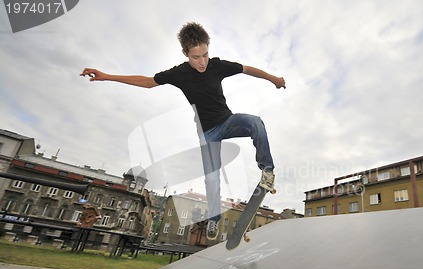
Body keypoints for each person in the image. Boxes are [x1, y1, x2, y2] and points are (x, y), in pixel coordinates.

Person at [80, 22, 286, 240]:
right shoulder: (179, 73)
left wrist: (273, 79)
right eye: (196, 57)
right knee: (212, 178)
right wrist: (107, 76)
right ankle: (214, 219)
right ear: (185, 53)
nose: (202, 62)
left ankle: (267, 172)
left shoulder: (218, 65)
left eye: (205, 55)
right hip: (208, 134)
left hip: (228, 122)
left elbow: (247, 69)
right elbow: (148, 82)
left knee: (255, 122)